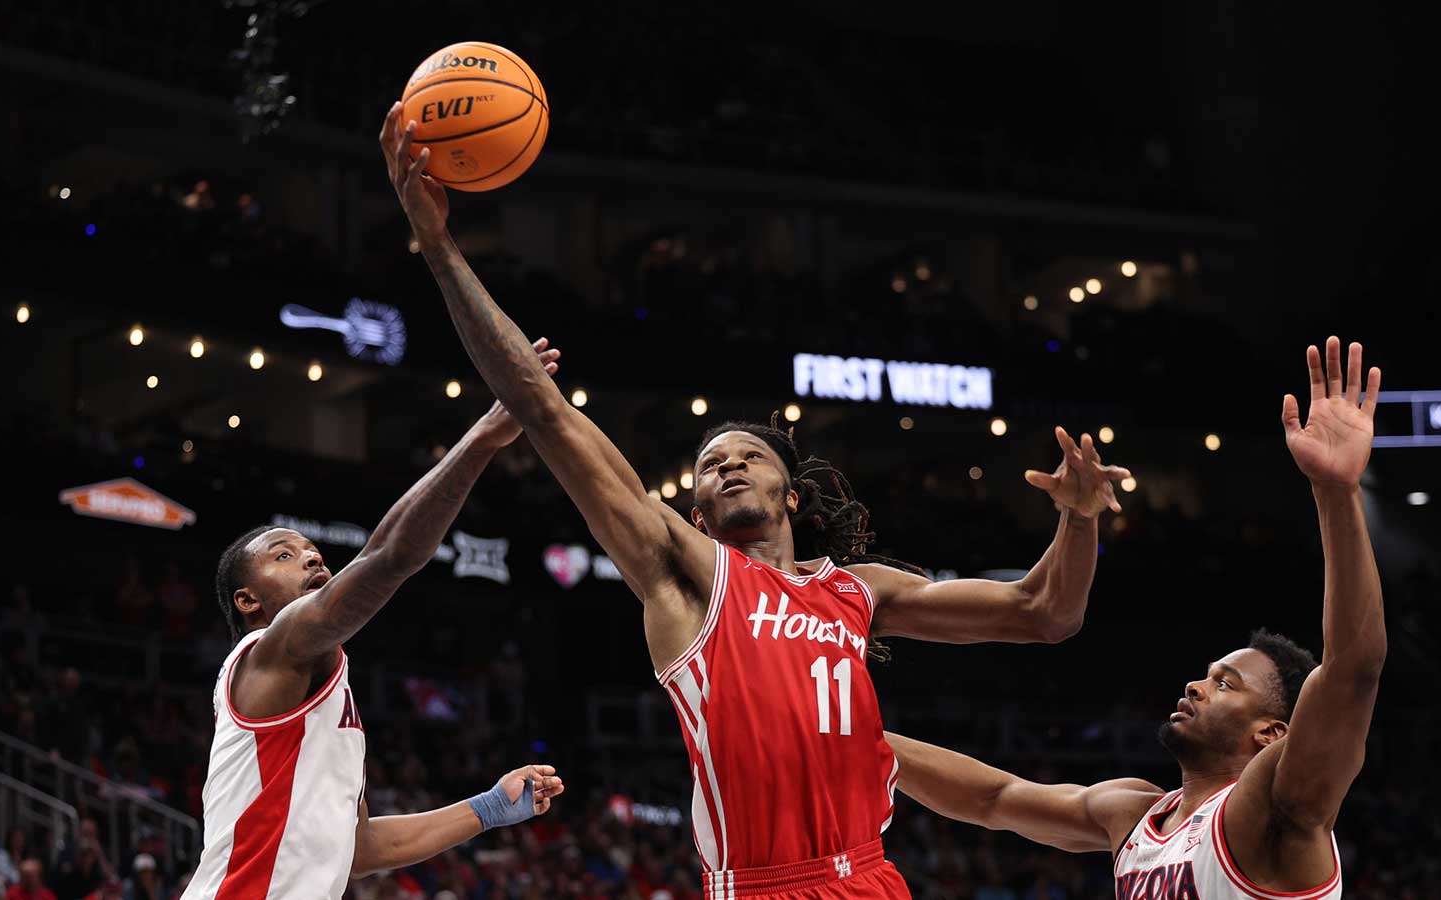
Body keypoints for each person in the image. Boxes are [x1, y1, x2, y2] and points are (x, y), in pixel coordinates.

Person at [380, 103, 1128, 899]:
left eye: (749, 457)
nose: (728, 466)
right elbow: (541, 405)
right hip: (764, 885)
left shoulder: (857, 591)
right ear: (694, 512)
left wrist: (1077, 519)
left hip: (871, 882)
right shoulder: (684, 574)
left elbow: (1044, 613)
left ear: (791, 495)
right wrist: (439, 245)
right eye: (709, 465)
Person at [887, 338, 1387, 900]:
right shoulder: (1134, 813)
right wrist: (859, 737)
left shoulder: (1275, 806)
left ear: (1271, 734)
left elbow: (1352, 670)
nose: (1197, 684)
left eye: (1226, 683)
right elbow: (994, 798)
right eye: (1208, 673)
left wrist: (1335, 491)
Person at [180, 373, 566, 900]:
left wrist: (488, 807)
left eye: (313, 549)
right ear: (249, 601)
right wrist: (481, 440)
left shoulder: (323, 691)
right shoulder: (271, 649)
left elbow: (359, 850)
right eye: (284, 555)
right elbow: (391, 556)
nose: (313, 555)